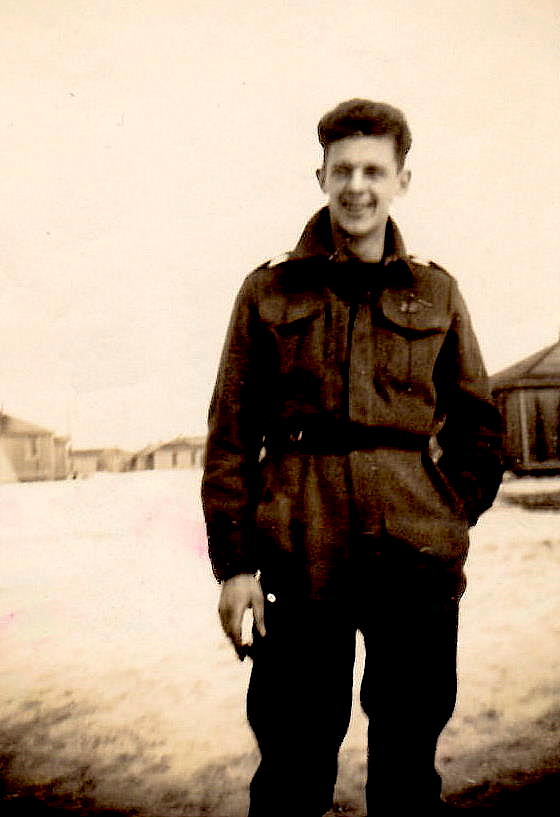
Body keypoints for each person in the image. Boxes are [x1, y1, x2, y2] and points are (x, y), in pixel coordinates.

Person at [202, 99, 504, 816]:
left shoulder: (435, 290)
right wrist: (236, 567)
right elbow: (231, 436)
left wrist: (445, 514)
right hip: (299, 552)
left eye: (374, 170)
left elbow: (480, 426)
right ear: (321, 178)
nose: (357, 187)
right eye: (342, 170)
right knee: (293, 760)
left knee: (408, 761)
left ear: (403, 180)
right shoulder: (268, 289)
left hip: (414, 559)